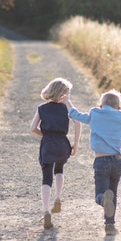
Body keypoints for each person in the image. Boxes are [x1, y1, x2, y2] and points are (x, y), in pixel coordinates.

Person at [64, 89, 121, 235]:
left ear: (100, 105)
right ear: (119, 107)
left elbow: (76, 115)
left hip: (101, 161)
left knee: (101, 194)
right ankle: (110, 226)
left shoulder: (94, 113)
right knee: (113, 192)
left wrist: (67, 101)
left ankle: (103, 200)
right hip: (117, 161)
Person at [30, 78, 81, 229]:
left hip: (47, 144)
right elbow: (78, 123)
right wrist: (75, 144)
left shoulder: (42, 108)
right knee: (59, 169)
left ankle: (46, 210)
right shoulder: (67, 108)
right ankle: (58, 197)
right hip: (62, 143)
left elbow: (33, 128)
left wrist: (45, 135)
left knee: (46, 176)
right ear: (64, 94)